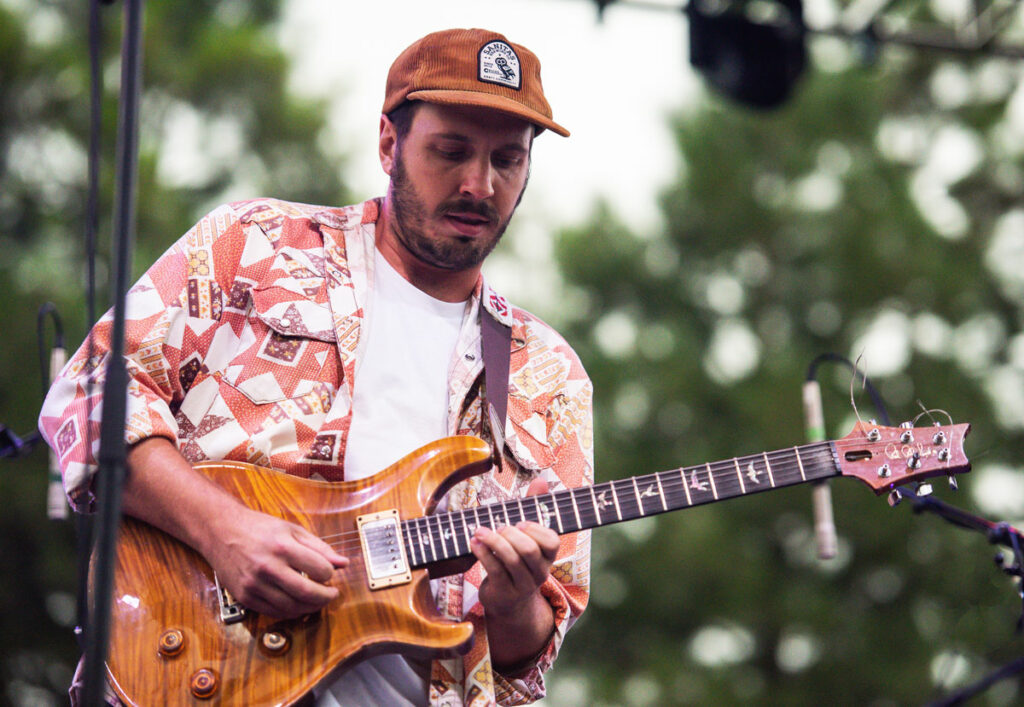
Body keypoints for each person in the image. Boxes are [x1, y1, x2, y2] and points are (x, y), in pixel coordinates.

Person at [40, 27, 592, 706]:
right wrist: (225, 530)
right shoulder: (256, 246)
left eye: (508, 160)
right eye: (451, 152)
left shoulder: (550, 377)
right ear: (390, 143)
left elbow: (524, 670)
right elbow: (89, 391)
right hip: (186, 669)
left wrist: (513, 605)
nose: (480, 184)